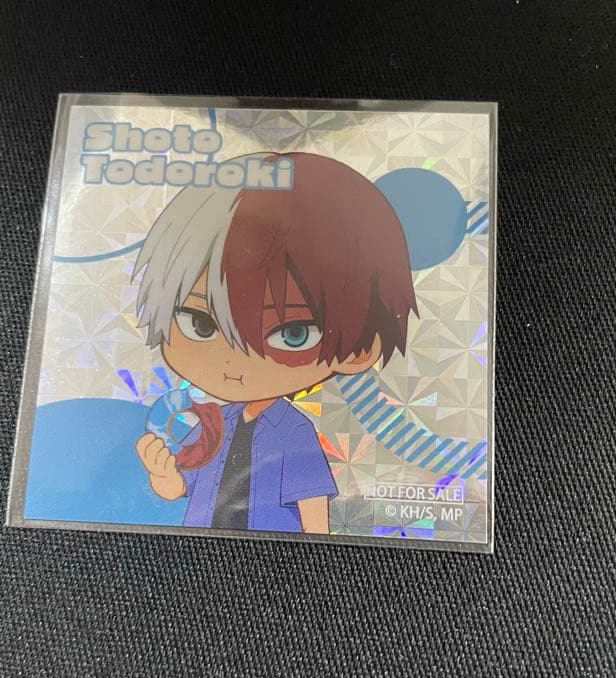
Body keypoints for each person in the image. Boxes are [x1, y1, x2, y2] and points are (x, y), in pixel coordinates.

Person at [133, 152, 417, 534]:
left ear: (357, 352)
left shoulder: (293, 430)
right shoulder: (215, 423)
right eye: (200, 322)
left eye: (292, 334)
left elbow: (312, 510)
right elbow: (180, 489)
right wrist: (162, 475)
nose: (234, 358)